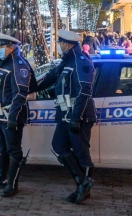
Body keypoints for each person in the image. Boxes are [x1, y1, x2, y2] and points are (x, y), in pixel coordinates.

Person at [32, 30, 96, 204]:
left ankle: (83, 188)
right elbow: (50, 78)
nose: (59, 46)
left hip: (78, 115)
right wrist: (29, 88)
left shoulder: (81, 61)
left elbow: (84, 91)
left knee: (82, 152)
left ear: (67, 45)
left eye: (60, 43)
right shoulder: (66, 61)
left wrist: (76, 117)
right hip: (65, 113)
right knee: (58, 145)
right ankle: (82, 183)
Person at [0, 34, 37, 198]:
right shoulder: (4, 63)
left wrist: (12, 117)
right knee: (1, 148)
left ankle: (12, 184)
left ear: (12, 47)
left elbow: (20, 94)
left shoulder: (18, 64)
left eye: (2, 46)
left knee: (14, 150)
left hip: (10, 116)